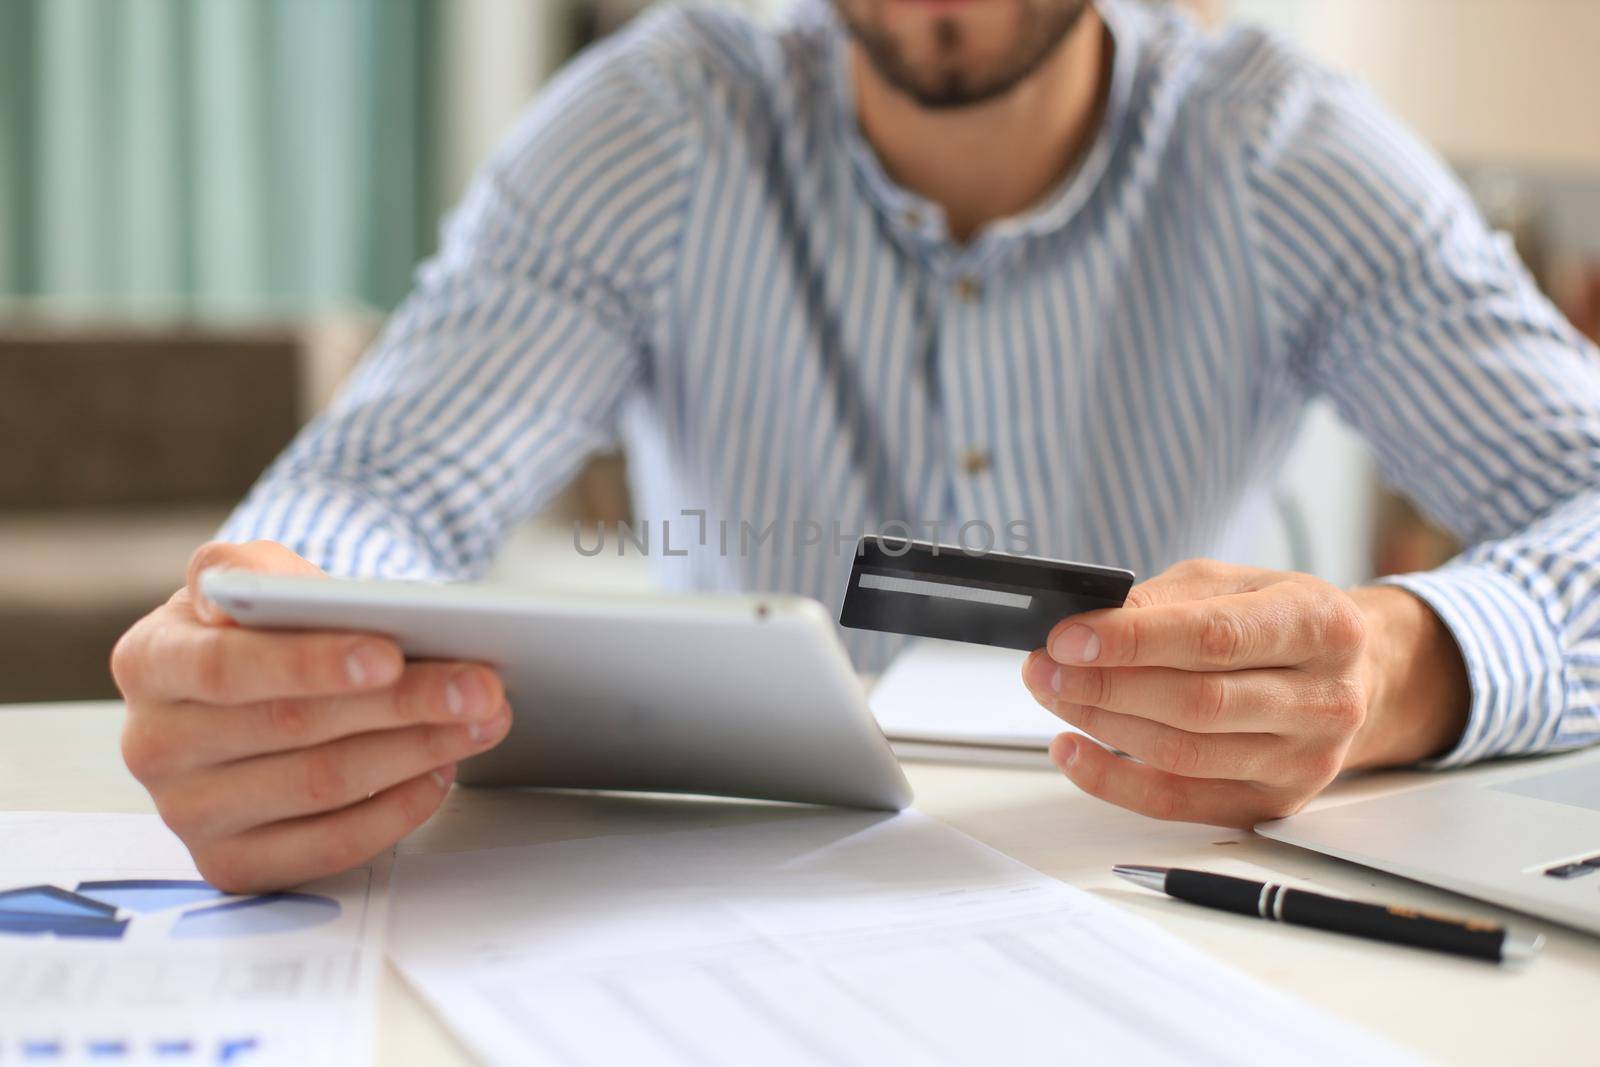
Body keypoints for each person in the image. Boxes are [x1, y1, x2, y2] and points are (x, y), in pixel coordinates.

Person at [112, 0, 1600, 892]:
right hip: (708, 899)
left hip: (1157, 892)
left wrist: (1409, 663)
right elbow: (383, 486)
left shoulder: (1287, 151)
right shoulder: (653, 122)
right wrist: (275, 641)